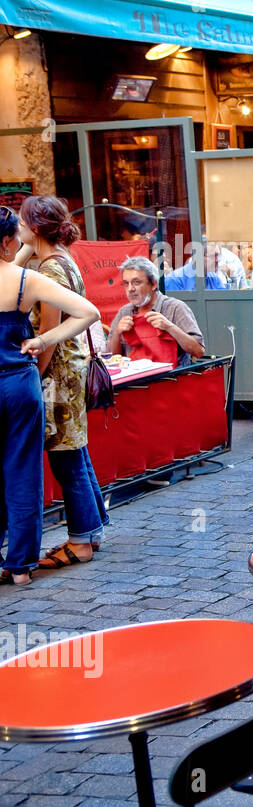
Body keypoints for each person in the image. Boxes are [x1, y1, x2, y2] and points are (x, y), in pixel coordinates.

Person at [15, 197, 110, 574]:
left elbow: (47, 334)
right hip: (72, 368)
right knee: (77, 452)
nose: (18, 227)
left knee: (65, 457)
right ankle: (91, 529)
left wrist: (33, 376)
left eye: (23, 221)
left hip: (57, 372)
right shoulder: (62, 258)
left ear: (36, 227)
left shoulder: (50, 269)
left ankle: (80, 542)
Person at [0, 240, 101, 585]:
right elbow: (89, 312)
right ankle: (21, 567)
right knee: (23, 474)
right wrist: (43, 340)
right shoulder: (26, 280)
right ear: (6, 241)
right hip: (19, 384)